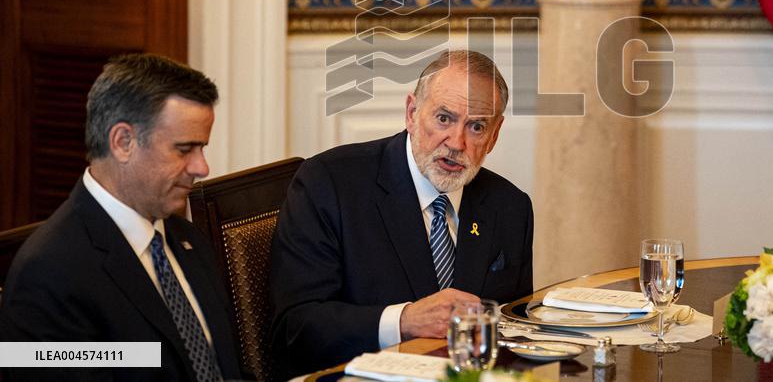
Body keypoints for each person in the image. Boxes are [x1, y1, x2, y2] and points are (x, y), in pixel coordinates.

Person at [270, 50, 533, 377]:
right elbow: (297, 327)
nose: (456, 142)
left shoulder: (510, 206)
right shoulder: (329, 183)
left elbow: (514, 328)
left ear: (494, 135)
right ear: (411, 112)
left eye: (477, 127)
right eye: (443, 118)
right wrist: (403, 321)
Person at [0, 54, 242, 382]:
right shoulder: (49, 273)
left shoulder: (189, 241)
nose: (202, 168)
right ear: (123, 142)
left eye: (202, 149)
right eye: (185, 150)